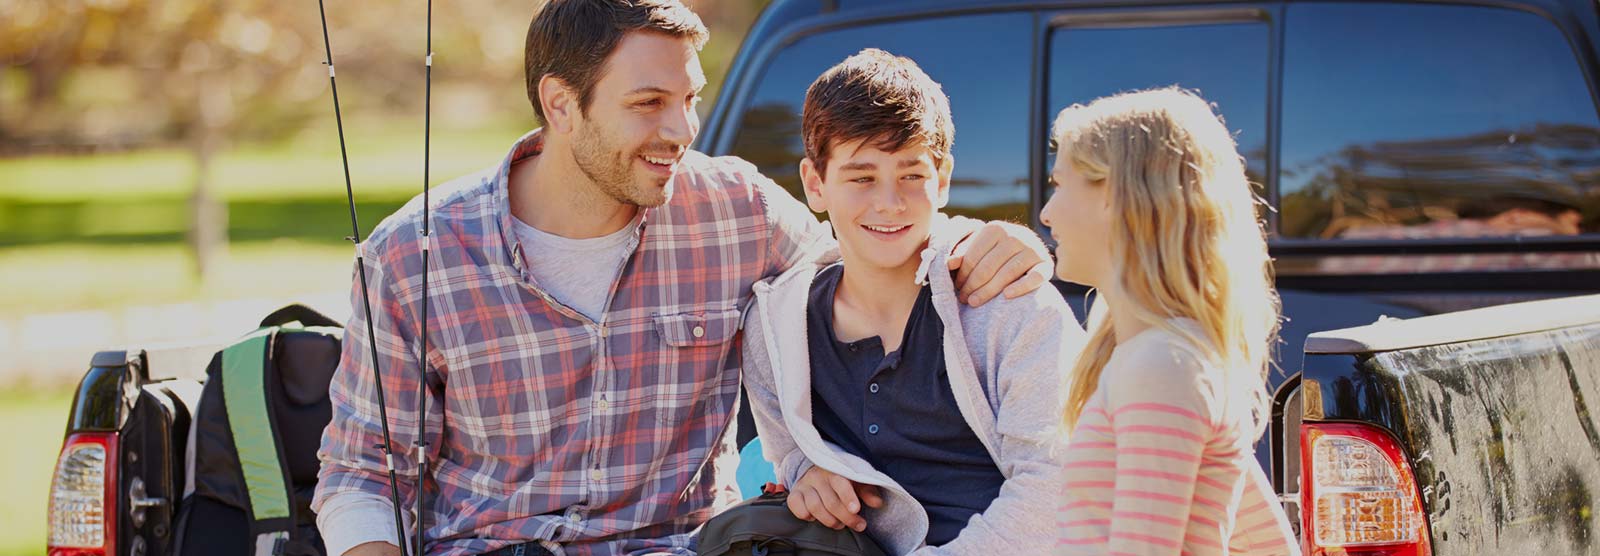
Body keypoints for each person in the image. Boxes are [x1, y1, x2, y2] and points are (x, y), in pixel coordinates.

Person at [311, 2, 1054, 555]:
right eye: (649, 104)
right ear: (560, 104)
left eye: (690, 98)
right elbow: (359, 478)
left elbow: (871, 241)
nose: (682, 129)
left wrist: (989, 239)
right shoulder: (413, 255)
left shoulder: (737, 212)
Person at [738, 49, 1083, 555]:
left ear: (942, 178)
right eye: (861, 177)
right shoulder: (774, 330)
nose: (889, 202)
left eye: (911, 175)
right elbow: (784, 450)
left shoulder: (1010, 304)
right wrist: (806, 470)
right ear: (815, 184)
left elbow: (1058, 487)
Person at [1038, 88, 1299, 555]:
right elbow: (1266, 540)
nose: (1046, 213)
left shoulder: (1162, 365)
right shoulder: (1166, 356)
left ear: (1116, 194)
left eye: (1060, 185)